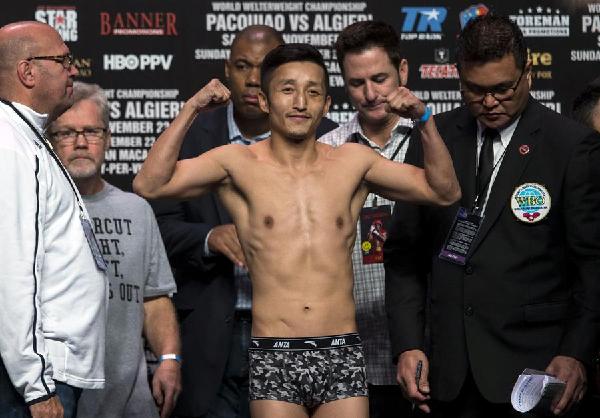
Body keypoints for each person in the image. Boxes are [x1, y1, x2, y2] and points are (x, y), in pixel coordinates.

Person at [134, 43, 460, 418]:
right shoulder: (236, 163)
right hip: (275, 351)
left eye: (313, 92)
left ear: (326, 104)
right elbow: (150, 184)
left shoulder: (353, 162)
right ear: (265, 100)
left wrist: (425, 120)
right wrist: (192, 108)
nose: (300, 102)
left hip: (340, 350)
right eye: (287, 90)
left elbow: (444, 191)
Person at [385, 14, 600, 418]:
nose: (489, 102)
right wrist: (408, 344)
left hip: (537, 371)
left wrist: (576, 353)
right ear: (459, 77)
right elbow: (404, 255)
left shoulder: (571, 146)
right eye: (475, 89)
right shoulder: (433, 136)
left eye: (502, 89)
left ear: (527, 73)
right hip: (447, 375)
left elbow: (592, 265)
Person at [152, 25, 335, 418]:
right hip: (213, 329)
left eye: (263, 68)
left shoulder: (328, 140)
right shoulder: (192, 136)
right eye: (242, 66)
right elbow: (158, 226)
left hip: (298, 332)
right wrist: (209, 237)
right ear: (226, 70)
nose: (253, 78)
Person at [46, 81, 181, 418]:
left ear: (108, 138)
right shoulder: (36, 210)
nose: (80, 142)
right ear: (49, 141)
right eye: (66, 133)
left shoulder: (137, 210)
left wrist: (169, 359)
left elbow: (154, 297)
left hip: (130, 400)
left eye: (91, 131)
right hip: (55, 397)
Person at [0, 21, 107, 418]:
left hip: (45, 368)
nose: (73, 69)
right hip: (32, 377)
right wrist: (36, 385)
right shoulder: (10, 145)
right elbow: (13, 271)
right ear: (27, 72)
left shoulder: (25, 136)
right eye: (62, 60)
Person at [318, 21, 414, 418]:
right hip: (351, 357)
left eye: (380, 79)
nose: (370, 94)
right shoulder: (325, 150)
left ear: (402, 71)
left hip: (427, 350)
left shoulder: (435, 141)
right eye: (357, 83)